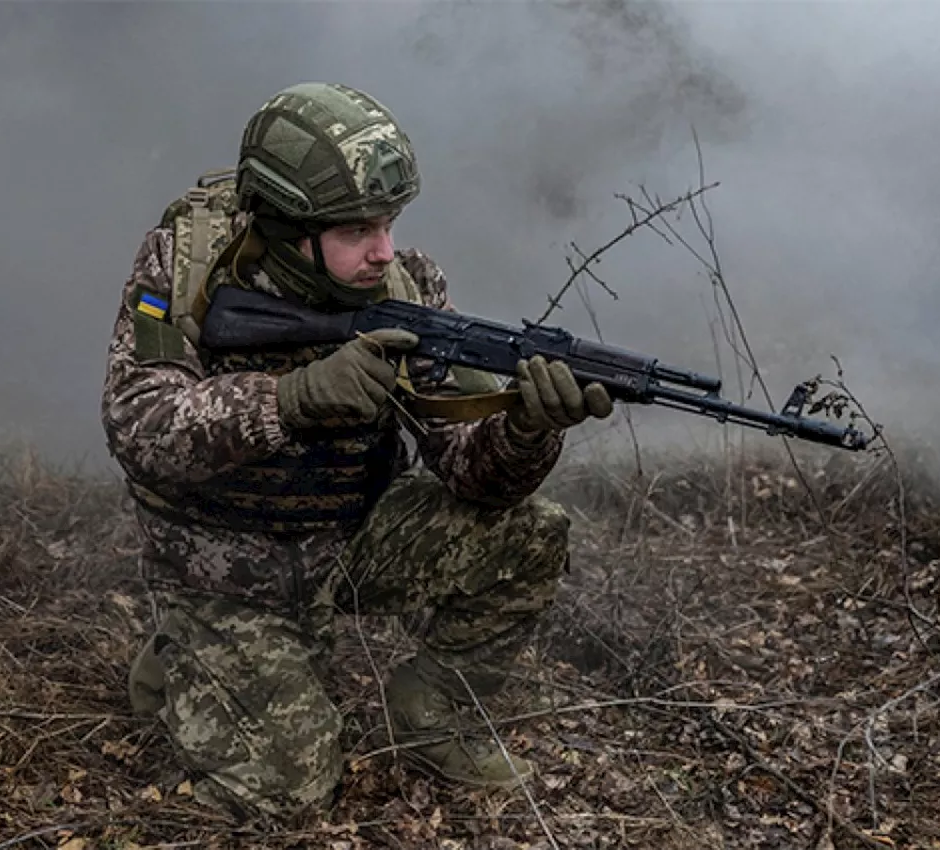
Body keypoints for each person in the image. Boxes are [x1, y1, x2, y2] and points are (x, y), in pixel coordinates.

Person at [101, 81, 613, 821]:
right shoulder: (188, 267)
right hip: (225, 567)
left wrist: (527, 427)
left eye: (390, 223)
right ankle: (185, 651)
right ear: (285, 225)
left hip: (352, 537)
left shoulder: (406, 284)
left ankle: (430, 707)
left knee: (535, 532)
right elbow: (137, 426)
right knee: (292, 792)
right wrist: (290, 400)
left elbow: (472, 470)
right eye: (355, 231)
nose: (384, 251)